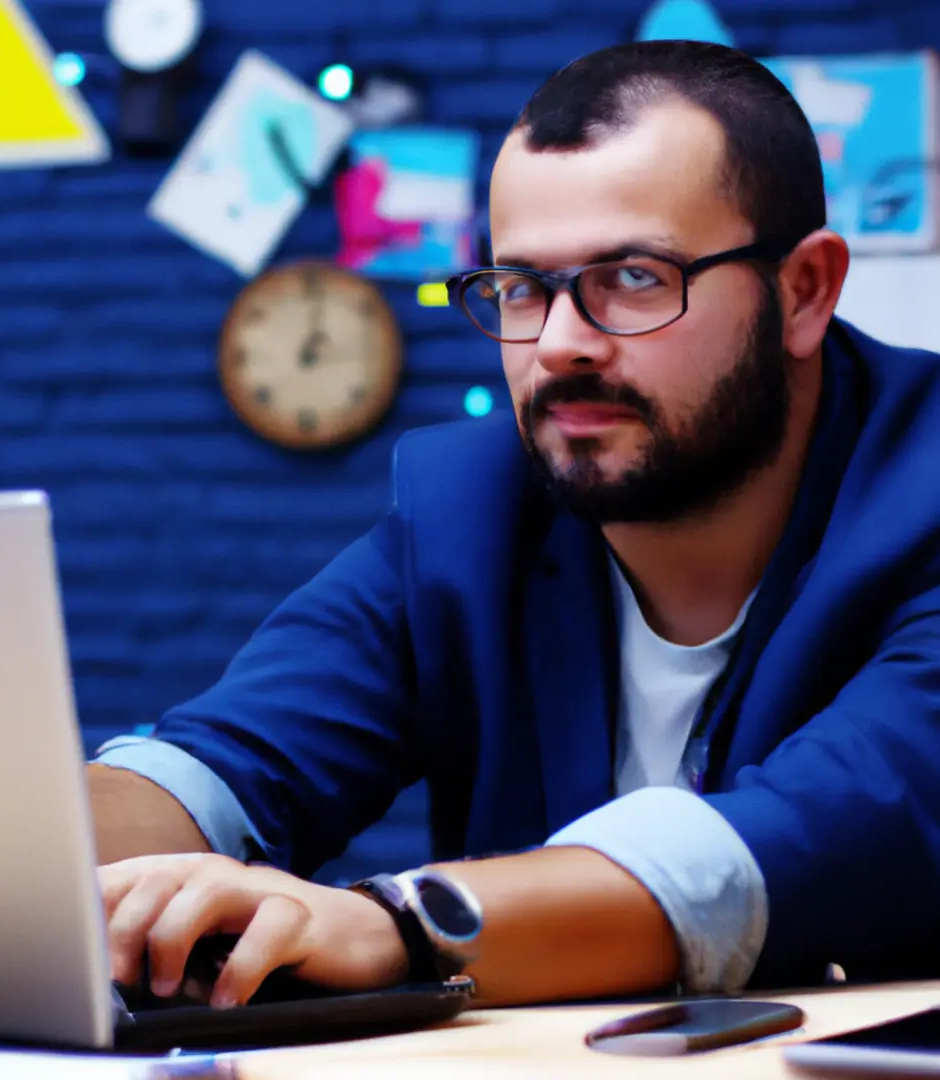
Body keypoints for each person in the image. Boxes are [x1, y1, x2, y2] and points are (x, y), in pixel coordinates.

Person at [90, 39, 940, 1009]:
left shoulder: (920, 485)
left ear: (805, 291)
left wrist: (399, 924)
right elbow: (230, 762)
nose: (563, 345)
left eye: (633, 278)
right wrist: (11, 868)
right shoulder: (471, 505)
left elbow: (823, 831)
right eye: (521, 288)